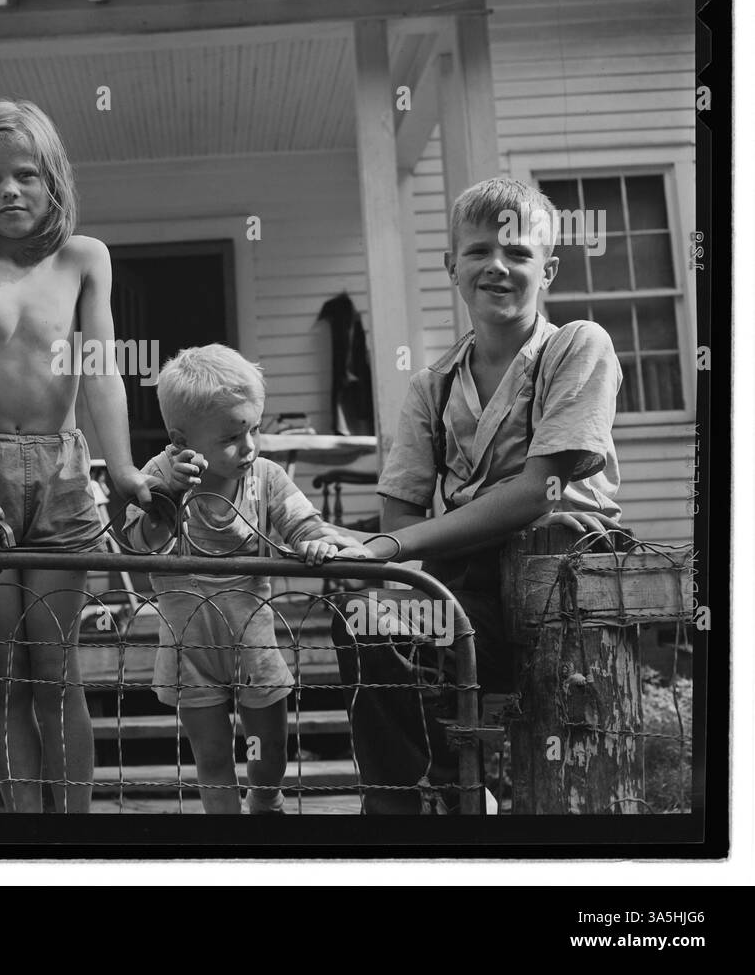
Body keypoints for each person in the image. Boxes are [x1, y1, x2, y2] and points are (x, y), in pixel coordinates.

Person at [335, 176, 623, 814]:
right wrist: (375, 551)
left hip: (560, 599)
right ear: (451, 266)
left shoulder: (577, 347)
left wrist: (382, 545)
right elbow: (402, 509)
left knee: (572, 784)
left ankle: (461, 797)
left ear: (546, 270)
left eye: (518, 253)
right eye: (479, 252)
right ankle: (414, 807)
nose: (498, 266)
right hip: (467, 602)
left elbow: (538, 493)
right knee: (366, 622)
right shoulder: (432, 387)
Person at [0, 99, 153, 814]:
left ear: (53, 179)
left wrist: (123, 470)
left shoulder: (85, 258)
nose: (10, 191)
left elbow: (101, 370)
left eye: (26, 175)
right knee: (6, 671)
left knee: (56, 669)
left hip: (60, 474)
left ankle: (73, 828)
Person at [124, 344, 366, 814]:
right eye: (232, 437)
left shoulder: (266, 477)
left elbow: (304, 523)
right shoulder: (157, 475)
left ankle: (265, 801)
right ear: (180, 440)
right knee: (212, 758)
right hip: (188, 646)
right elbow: (139, 544)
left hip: (252, 640)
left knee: (269, 750)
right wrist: (168, 495)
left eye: (254, 428)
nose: (250, 445)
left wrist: (312, 542)